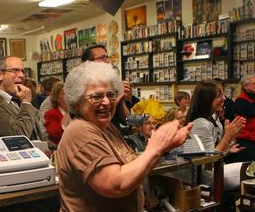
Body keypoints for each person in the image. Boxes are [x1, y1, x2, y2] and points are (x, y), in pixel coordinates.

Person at [57, 61, 192, 212]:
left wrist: (164, 147)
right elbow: (115, 184)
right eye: (97, 96)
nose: (107, 102)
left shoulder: (107, 127)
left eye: (111, 94)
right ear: (77, 103)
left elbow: (133, 166)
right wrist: (156, 147)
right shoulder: (80, 131)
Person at [0, 56, 45, 140]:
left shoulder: (18, 98)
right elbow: (19, 137)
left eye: (22, 71)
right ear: (0, 75)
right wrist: (26, 102)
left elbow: (35, 130)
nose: (21, 75)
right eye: (15, 71)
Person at [81, 44, 139, 130]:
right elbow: (94, 118)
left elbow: (126, 121)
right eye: (103, 58)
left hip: (114, 134)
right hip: (94, 134)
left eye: (107, 57)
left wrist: (126, 99)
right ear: (88, 62)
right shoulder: (81, 87)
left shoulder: (112, 84)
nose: (107, 61)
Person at [185, 80, 246, 153]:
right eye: (219, 95)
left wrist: (232, 136)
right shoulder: (201, 124)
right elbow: (209, 159)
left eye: (223, 95)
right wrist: (228, 136)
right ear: (207, 99)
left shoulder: (212, 120)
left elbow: (216, 149)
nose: (224, 98)